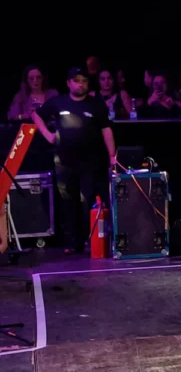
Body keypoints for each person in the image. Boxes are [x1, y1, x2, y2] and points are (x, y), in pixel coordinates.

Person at [32, 68, 117, 253]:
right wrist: (47, 135)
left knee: (86, 201)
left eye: (84, 81)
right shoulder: (58, 101)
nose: (80, 84)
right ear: (69, 82)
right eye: (76, 80)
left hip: (90, 161)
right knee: (68, 203)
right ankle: (73, 243)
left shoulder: (96, 104)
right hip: (64, 161)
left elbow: (106, 130)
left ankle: (90, 240)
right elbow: (36, 115)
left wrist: (112, 155)